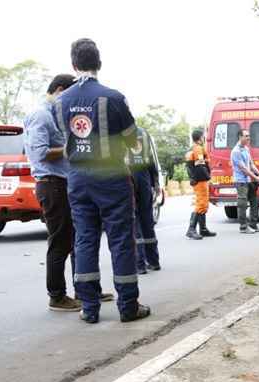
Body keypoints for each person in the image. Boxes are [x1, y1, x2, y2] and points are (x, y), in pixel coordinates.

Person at [53, 38, 150, 324]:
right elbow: (133, 141)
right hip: (111, 178)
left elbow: (65, 136)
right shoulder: (114, 98)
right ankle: (128, 306)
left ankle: (90, 308)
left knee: (84, 239)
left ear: (73, 65)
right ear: (100, 63)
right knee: (121, 240)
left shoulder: (61, 101)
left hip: (78, 179)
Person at [24, 74, 113, 311]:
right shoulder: (40, 115)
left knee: (77, 240)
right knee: (60, 242)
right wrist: (70, 147)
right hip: (51, 184)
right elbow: (39, 153)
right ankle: (57, 295)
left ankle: (85, 290)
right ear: (60, 90)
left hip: (66, 182)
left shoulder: (56, 113)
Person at [127, 127, 162, 273]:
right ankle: (153, 261)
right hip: (145, 179)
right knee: (147, 221)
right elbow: (151, 161)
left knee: (135, 223)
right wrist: (156, 182)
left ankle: (139, 264)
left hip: (129, 180)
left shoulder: (120, 132)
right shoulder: (144, 133)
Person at [230, 129, 259, 234]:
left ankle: (253, 224)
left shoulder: (246, 149)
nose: (248, 138)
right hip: (241, 181)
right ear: (240, 137)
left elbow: (251, 164)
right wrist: (256, 178)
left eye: (249, 135)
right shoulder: (236, 151)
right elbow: (244, 169)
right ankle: (243, 227)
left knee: (255, 201)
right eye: (246, 136)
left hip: (249, 180)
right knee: (242, 204)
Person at [185, 128, 216, 240]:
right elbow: (200, 166)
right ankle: (191, 229)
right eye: (203, 136)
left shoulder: (191, 149)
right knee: (201, 204)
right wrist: (208, 178)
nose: (204, 138)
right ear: (200, 138)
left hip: (197, 180)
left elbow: (191, 166)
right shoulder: (198, 149)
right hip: (201, 180)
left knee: (202, 204)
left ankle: (202, 229)